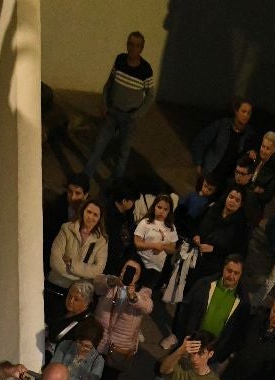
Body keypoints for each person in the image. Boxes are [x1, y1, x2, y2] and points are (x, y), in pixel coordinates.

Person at [83, 31, 154, 180]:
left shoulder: (146, 70)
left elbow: (150, 96)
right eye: (130, 44)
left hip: (129, 117)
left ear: (142, 48)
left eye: (137, 45)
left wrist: (136, 114)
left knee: (123, 154)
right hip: (112, 113)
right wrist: (104, 104)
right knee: (98, 147)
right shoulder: (120, 60)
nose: (133, 48)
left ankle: (115, 185)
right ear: (127, 45)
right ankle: (84, 180)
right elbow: (109, 84)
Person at [91, 262, 154, 380]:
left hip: (118, 349)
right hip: (98, 341)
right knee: (88, 377)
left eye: (134, 272)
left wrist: (133, 296)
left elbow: (147, 306)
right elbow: (97, 283)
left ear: (139, 276)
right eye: (126, 268)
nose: (129, 273)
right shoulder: (111, 285)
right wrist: (110, 281)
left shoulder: (143, 293)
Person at [171, 254, 251, 362]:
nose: (231, 276)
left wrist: (224, 354)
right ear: (223, 268)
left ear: (241, 275)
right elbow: (185, 308)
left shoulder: (243, 302)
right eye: (229, 270)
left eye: (236, 273)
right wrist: (180, 334)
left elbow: (238, 332)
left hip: (212, 353)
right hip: (191, 342)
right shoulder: (204, 284)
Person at [48, 196, 108, 301]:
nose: (91, 217)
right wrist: (81, 275)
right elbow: (55, 261)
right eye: (89, 212)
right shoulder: (66, 228)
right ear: (83, 212)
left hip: (80, 294)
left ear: (99, 218)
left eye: (95, 215)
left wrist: (72, 263)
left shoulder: (101, 241)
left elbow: (98, 270)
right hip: (57, 285)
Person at [191, 97, 257, 186]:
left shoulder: (249, 134)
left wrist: (251, 153)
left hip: (228, 180)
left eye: (249, 113)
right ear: (236, 111)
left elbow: (247, 158)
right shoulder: (222, 125)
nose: (246, 115)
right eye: (243, 111)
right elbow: (200, 141)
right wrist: (198, 163)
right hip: (210, 171)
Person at [51, 316, 105, 380]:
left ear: (95, 344)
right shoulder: (64, 346)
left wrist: (62, 379)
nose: (82, 348)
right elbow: (52, 372)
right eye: (79, 343)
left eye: (87, 346)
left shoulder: (98, 361)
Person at [131, 192, 178, 290]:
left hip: (156, 268)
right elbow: (137, 243)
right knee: (130, 288)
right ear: (154, 207)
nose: (161, 211)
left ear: (169, 211)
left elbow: (173, 249)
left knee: (144, 297)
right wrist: (153, 245)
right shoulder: (146, 222)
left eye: (165, 209)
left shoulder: (171, 227)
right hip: (140, 261)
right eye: (159, 207)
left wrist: (163, 247)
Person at [42, 173, 89, 268]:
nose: (72, 197)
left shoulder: (90, 213)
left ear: (86, 195)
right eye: (70, 192)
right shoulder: (54, 209)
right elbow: (48, 240)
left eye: (78, 193)